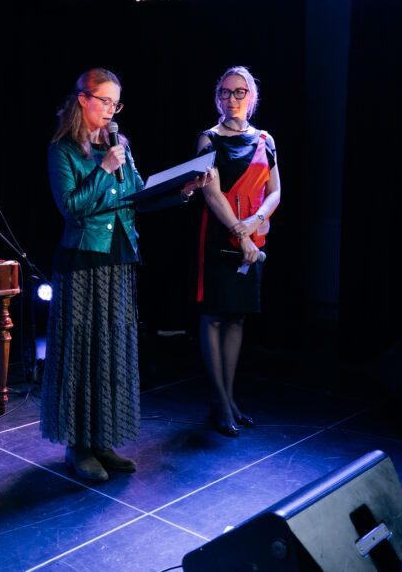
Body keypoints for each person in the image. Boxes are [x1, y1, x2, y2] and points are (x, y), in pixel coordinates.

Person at [41, 67, 208, 481]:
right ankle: (78, 446)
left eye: (116, 104)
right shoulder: (63, 149)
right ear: (83, 99)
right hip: (83, 261)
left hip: (119, 258)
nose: (111, 111)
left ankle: (102, 440)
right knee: (82, 353)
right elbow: (71, 207)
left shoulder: (120, 146)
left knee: (110, 350)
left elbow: (136, 199)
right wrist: (103, 169)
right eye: (105, 101)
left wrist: (180, 192)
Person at [196, 66, 282, 438]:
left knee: (237, 319)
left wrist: (255, 221)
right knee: (215, 316)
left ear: (251, 97)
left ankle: (230, 399)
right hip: (221, 236)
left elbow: (275, 191)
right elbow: (211, 192)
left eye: (239, 92)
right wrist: (239, 233)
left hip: (254, 236)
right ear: (217, 97)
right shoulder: (208, 138)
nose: (231, 98)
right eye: (224, 92)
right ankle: (219, 401)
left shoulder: (265, 139)